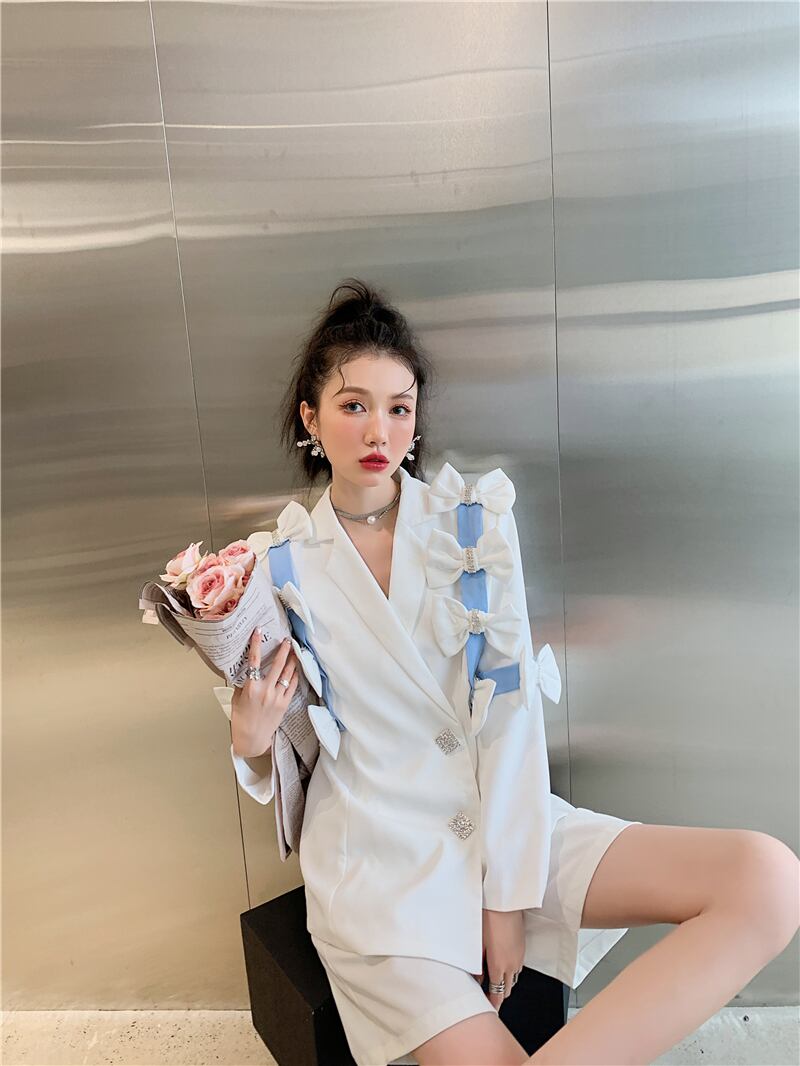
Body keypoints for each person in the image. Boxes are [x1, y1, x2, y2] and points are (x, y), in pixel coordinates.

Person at [214, 279, 800, 1066]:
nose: (380, 430)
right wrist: (248, 740)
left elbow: (510, 716)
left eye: (400, 407)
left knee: (766, 880)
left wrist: (505, 898)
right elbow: (290, 744)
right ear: (311, 419)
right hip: (378, 869)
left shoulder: (472, 525)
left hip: (505, 820)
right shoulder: (275, 565)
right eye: (354, 405)